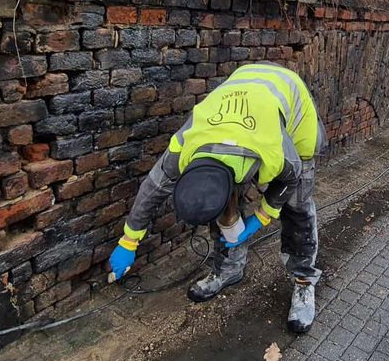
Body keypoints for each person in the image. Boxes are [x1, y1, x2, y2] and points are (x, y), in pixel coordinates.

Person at [108, 62, 326, 333]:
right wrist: (128, 241)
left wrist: (262, 217)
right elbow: (152, 189)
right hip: (242, 96)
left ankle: (304, 282)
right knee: (215, 202)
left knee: (297, 205)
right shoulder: (185, 145)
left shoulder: (274, 149)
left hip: (293, 112)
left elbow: (289, 180)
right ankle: (229, 268)